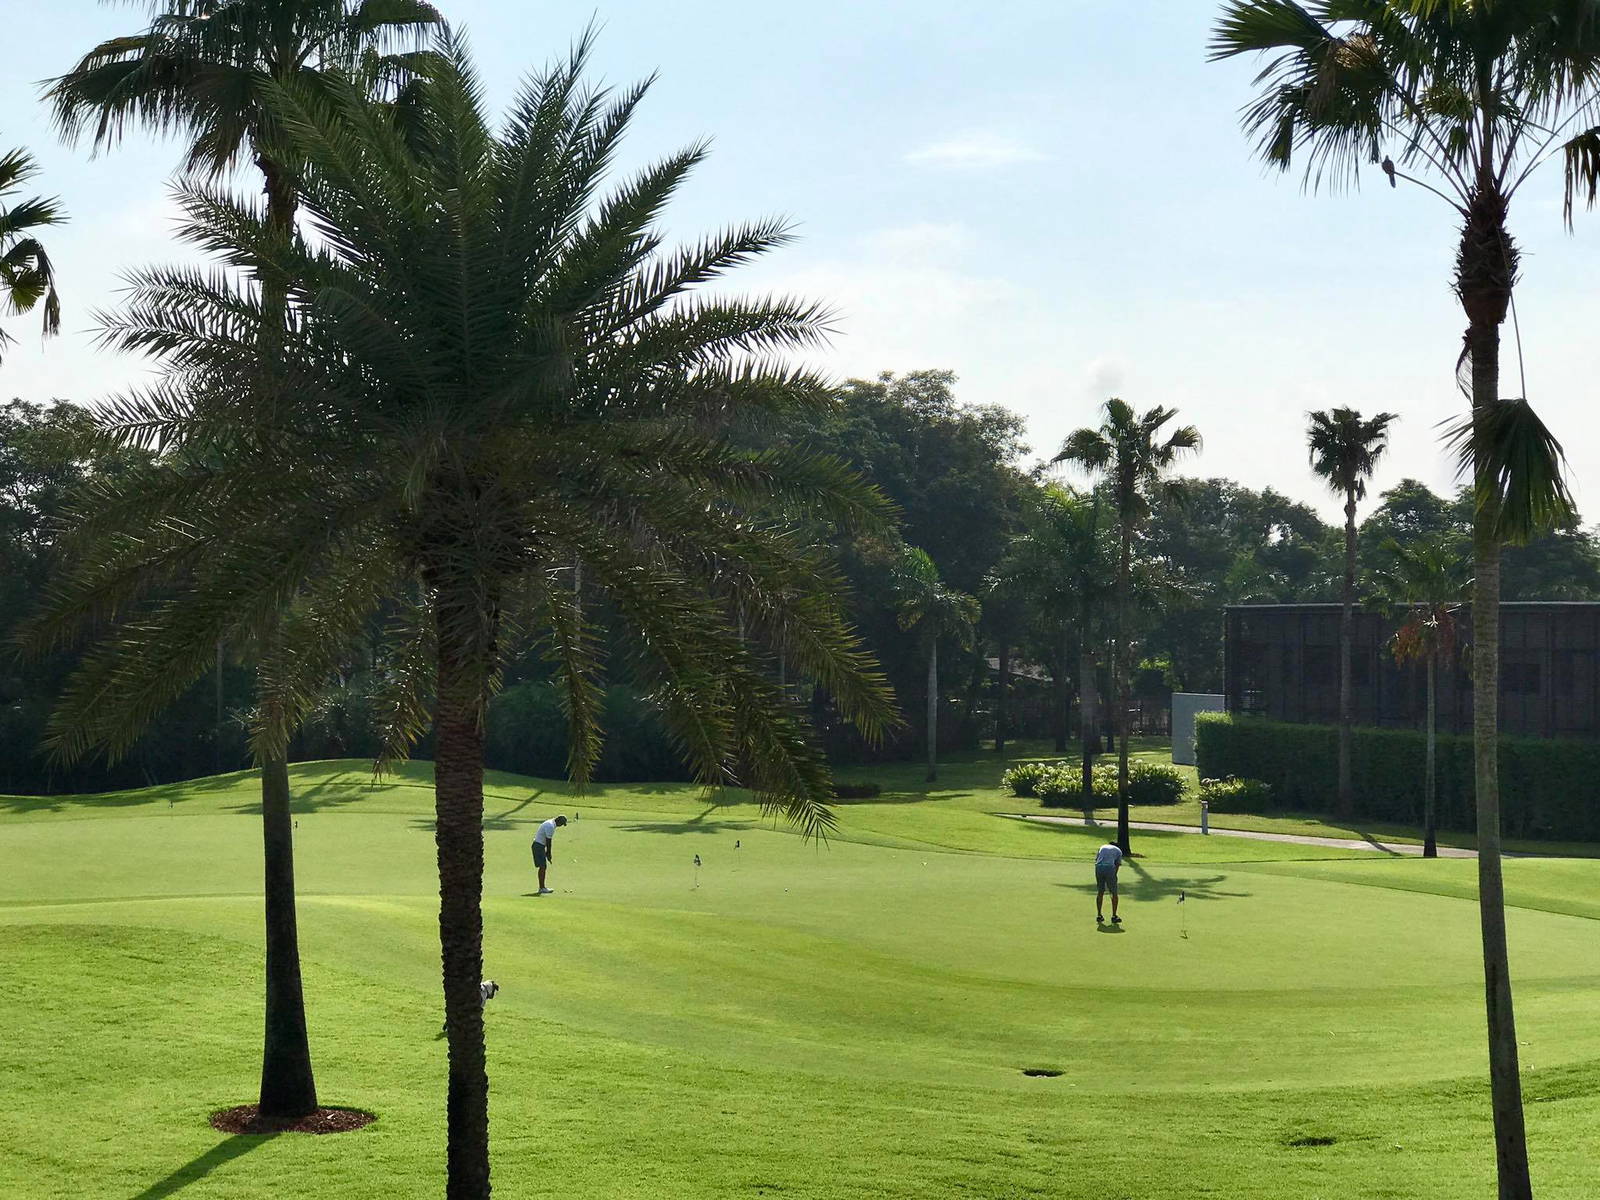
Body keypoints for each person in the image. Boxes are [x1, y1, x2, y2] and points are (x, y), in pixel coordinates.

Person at [532, 815, 568, 895]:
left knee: (543, 866)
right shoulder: (550, 826)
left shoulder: (551, 822)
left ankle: (542, 887)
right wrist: (549, 854)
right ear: (558, 822)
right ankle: (541, 888)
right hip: (538, 846)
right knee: (543, 867)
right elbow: (549, 842)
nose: (561, 826)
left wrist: (547, 853)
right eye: (562, 824)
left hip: (539, 845)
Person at [1095, 841, 1123, 925]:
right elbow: (1117, 865)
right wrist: (1113, 876)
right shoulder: (1118, 851)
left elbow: (1097, 860)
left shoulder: (1102, 847)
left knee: (1100, 892)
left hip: (1098, 867)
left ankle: (1099, 915)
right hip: (1109, 868)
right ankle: (1114, 916)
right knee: (1114, 893)